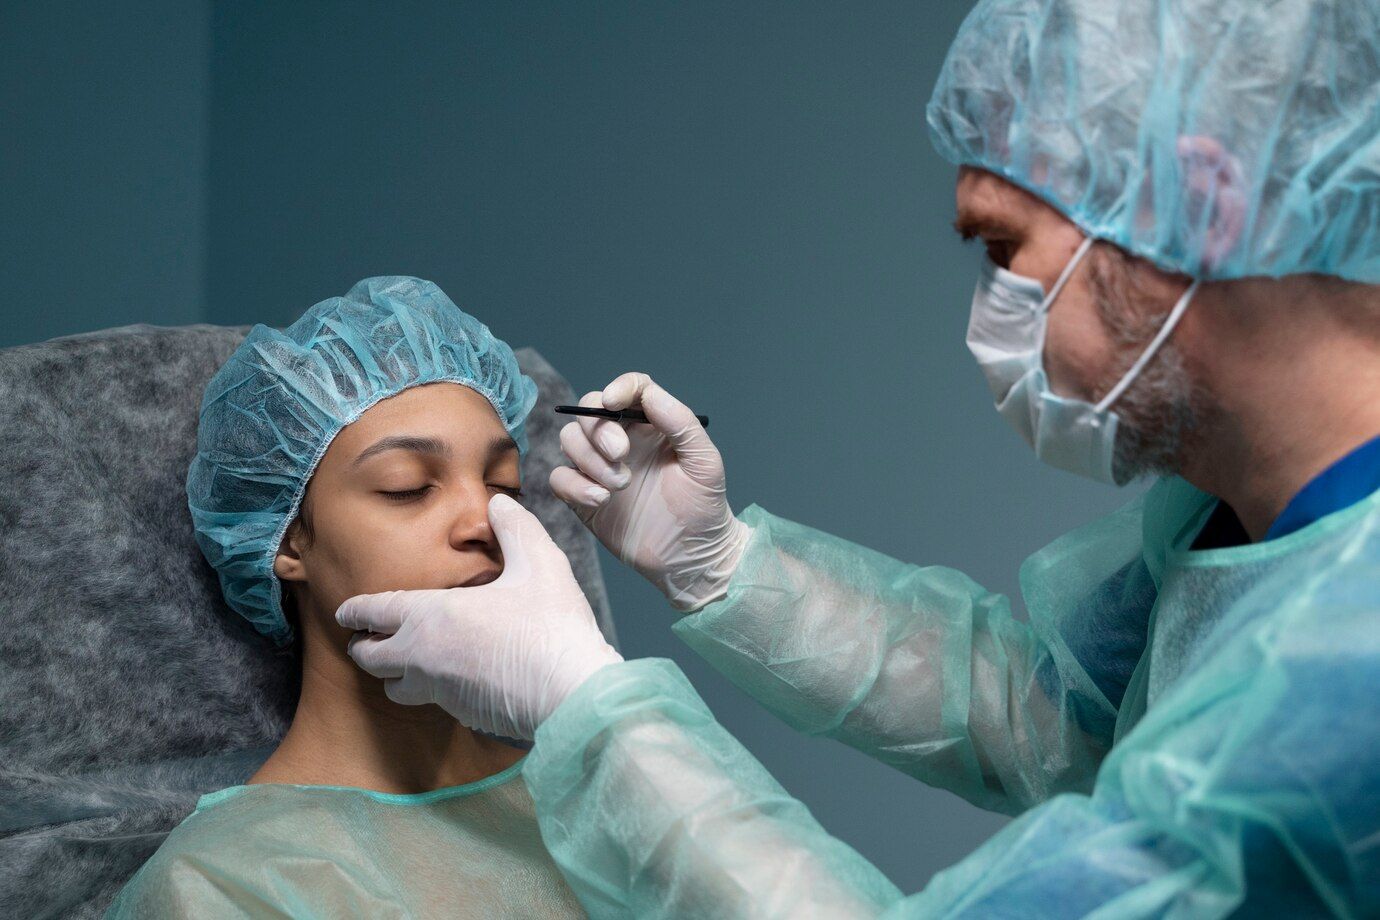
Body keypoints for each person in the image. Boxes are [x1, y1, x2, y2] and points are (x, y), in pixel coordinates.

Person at [334, 1, 1380, 916]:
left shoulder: (1348, 675)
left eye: (1002, 251)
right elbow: (1051, 719)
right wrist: (724, 565)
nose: (987, 324)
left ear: (1200, 202)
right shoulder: (1248, 526)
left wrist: (585, 707)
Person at [106, 277, 595, 918]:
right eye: (407, 486)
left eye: (502, 482)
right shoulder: (219, 888)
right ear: (287, 541)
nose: (487, 520)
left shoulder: (600, 800)